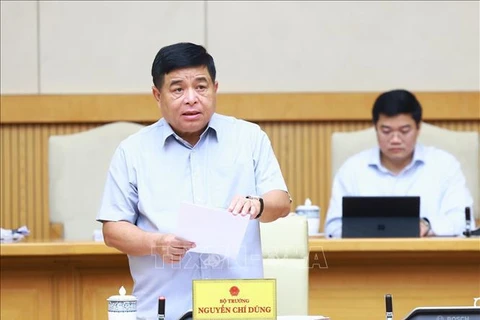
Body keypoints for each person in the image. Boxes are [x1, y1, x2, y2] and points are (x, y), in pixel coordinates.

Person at [96, 42, 292, 320]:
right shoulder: (133, 151)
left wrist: (258, 204)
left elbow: (281, 202)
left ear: (215, 88)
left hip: (237, 308)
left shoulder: (249, 138)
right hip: (162, 311)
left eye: (201, 87)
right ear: (157, 94)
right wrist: (157, 244)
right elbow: (112, 230)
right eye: (178, 89)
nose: (191, 98)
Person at [324, 89, 475, 238]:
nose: (395, 139)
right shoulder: (353, 169)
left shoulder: (444, 166)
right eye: (386, 131)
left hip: (429, 258)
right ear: (375, 128)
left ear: (418, 128)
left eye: (404, 130)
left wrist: (427, 226)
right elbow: (332, 228)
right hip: (368, 258)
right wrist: (368, 230)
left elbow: (464, 222)